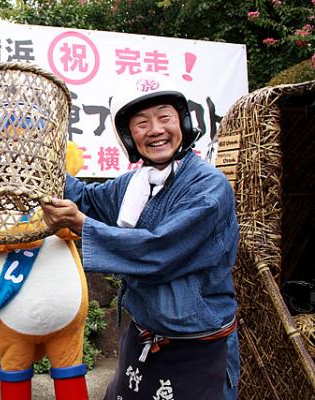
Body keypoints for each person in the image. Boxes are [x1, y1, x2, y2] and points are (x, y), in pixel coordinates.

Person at [42, 72, 240, 400]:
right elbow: (87, 199)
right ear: (128, 136)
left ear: (183, 122)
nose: (155, 129)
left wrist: (82, 225)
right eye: (141, 123)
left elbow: (160, 249)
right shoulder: (135, 184)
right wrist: (38, 160)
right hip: (143, 338)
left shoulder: (209, 188)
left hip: (197, 347)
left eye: (165, 117)